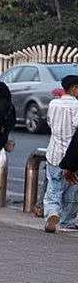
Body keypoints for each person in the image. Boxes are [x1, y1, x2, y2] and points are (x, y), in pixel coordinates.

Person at [45, 73, 78, 232]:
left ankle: (52, 212)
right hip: (72, 155)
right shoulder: (77, 106)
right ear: (74, 89)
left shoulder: (53, 104)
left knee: (53, 187)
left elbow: (49, 123)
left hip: (53, 153)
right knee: (72, 190)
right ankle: (67, 220)